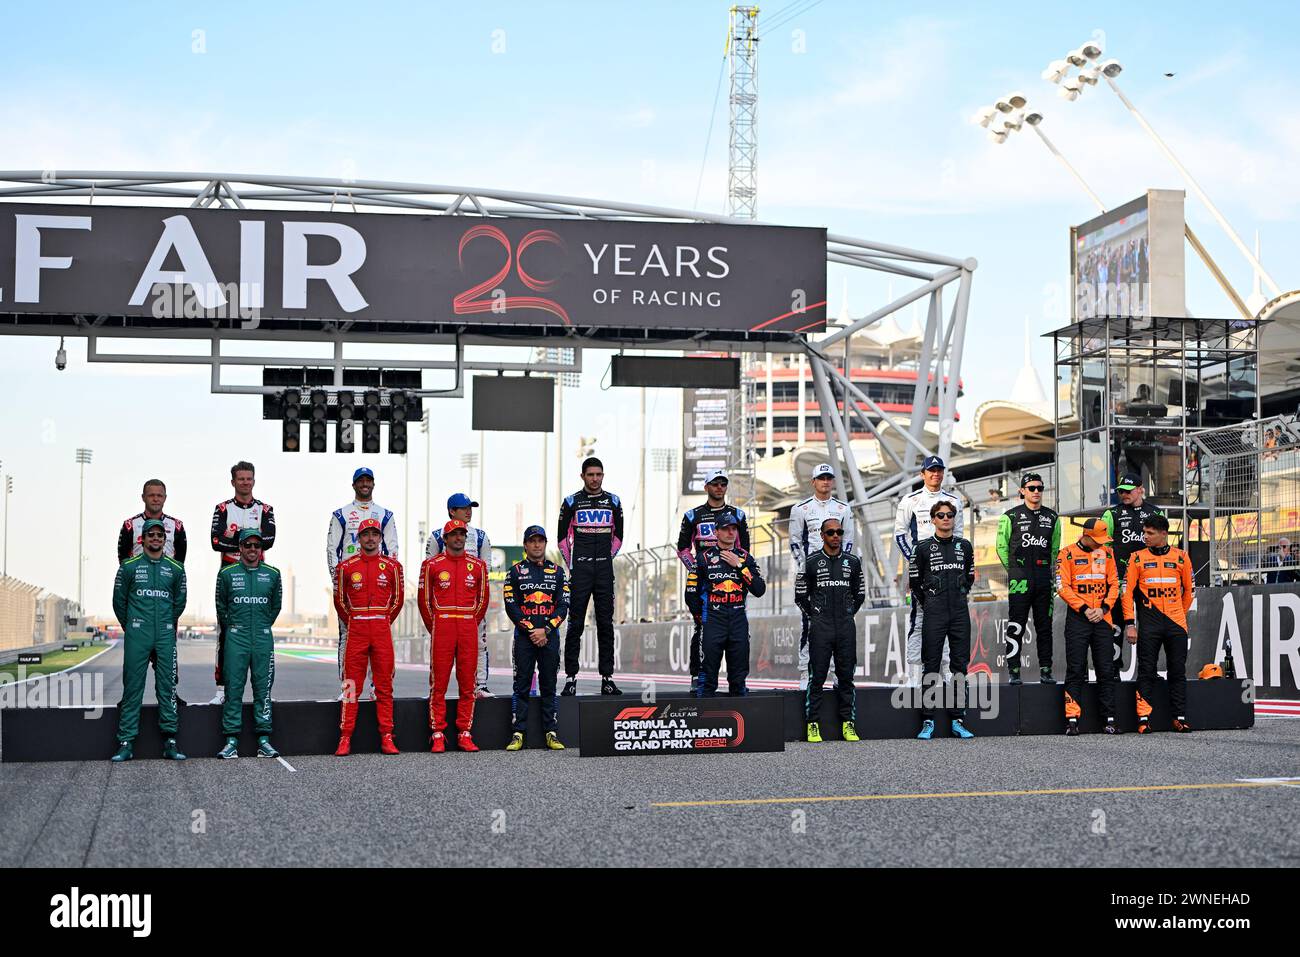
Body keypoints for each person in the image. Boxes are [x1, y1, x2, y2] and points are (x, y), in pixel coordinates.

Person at [110, 519, 187, 762]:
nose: (156, 538)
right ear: (142, 539)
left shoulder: (175, 569)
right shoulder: (128, 567)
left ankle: (170, 741)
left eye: (160, 535)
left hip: (164, 634)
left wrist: (165, 623)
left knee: (167, 688)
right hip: (138, 634)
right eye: (151, 534)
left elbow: (179, 603)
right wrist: (132, 625)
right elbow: (118, 602)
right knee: (133, 689)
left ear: (165, 540)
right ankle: (126, 742)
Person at [333, 518, 403, 757]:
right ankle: (345, 737)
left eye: (375, 534)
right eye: (366, 534)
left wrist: (382, 620)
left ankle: (387, 736)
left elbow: (397, 601)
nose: (371, 538)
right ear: (359, 538)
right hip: (357, 631)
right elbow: (340, 602)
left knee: (384, 686)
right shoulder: (346, 567)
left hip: (382, 630)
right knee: (351, 686)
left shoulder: (393, 567)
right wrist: (356, 620)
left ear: (381, 538)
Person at [419, 520, 490, 753]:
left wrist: (469, 622)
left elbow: (482, 601)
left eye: (462, 534)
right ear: (445, 539)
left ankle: (464, 732)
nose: (459, 538)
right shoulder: (431, 565)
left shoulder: (478, 566)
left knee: (468, 684)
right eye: (454, 535)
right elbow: (424, 603)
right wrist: (438, 625)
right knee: (438, 683)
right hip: (444, 627)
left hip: (468, 627)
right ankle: (437, 732)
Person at [676, 469, 749, 693]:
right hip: (704, 582)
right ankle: (698, 676)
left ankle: (738, 681)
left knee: (737, 629)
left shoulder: (738, 514)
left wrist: (740, 568)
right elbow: (682, 549)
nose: (719, 487)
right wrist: (697, 570)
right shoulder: (692, 516)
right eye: (715, 483)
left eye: (723, 484)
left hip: (733, 578)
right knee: (701, 627)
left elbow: (745, 548)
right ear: (706, 486)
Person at [210, 461, 276, 706]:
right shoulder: (223, 508)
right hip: (229, 573)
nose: (245, 483)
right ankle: (221, 689)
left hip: (259, 575)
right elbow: (215, 541)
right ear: (233, 482)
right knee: (225, 633)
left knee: (261, 632)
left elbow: (268, 540)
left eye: (249, 479)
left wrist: (234, 537)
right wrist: (250, 537)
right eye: (241, 479)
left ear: (254, 481)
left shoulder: (266, 509)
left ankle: (263, 693)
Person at [557, 457, 624, 696]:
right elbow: (562, 539)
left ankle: (607, 678)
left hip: (604, 571)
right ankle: (571, 678)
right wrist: (572, 565)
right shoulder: (571, 502)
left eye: (599, 474)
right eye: (590, 475)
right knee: (575, 625)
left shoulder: (614, 502)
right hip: (581, 571)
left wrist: (608, 557)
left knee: (606, 624)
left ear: (603, 476)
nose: (595, 479)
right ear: (583, 476)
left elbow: (619, 537)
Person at [795, 517, 865, 743]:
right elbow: (800, 596)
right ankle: (813, 724)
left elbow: (860, 594)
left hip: (845, 627)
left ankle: (848, 724)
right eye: (831, 532)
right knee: (817, 678)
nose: (836, 536)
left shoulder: (853, 562)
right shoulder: (811, 561)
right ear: (822, 536)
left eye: (839, 532)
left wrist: (848, 613)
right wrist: (815, 616)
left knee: (846, 677)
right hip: (821, 628)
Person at [1123, 513, 1195, 734]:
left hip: (1176, 623)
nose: (1145, 536)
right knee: (1146, 670)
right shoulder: (1136, 558)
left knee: (1177, 671)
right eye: (1144, 532)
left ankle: (1179, 717)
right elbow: (1127, 594)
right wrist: (1130, 624)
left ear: (1164, 534)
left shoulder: (1182, 557)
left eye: (1150, 533)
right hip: (1149, 622)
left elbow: (1189, 592)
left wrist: (1178, 615)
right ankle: (1143, 718)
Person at [327, 467, 399, 687]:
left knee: (381, 642)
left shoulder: (386, 515)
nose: (365, 484)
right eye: (361, 481)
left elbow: (393, 551)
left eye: (369, 480)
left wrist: (387, 581)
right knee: (347, 637)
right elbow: (332, 550)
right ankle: (346, 686)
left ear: (374, 484)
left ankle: (378, 687)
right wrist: (338, 582)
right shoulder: (340, 514)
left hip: (379, 587)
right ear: (354, 485)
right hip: (351, 586)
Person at [894, 455, 962, 686]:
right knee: (918, 619)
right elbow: (899, 534)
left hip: (947, 571)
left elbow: (959, 537)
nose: (936, 474)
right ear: (922, 474)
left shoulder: (954, 500)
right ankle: (914, 674)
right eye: (931, 470)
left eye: (939, 470)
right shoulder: (910, 500)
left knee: (948, 620)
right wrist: (915, 561)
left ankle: (946, 673)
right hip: (920, 572)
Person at [909, 501, 975, 740]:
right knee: (932, 665)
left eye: (950, 515)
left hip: (959, 612)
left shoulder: (964, 546)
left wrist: (958, 595)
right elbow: (915, 583)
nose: (946, 518)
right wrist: (929, 602)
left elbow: (969, 577)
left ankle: (958, 719)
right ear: (933, 519)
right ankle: (928, 720)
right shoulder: (922, 548)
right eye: (941, 515)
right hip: (934, 612)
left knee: (959, 666)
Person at [215, 529, 283, 759]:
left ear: (261, 548)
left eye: (256, 545)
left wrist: (262, 625)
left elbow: (275, 608)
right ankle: (231, 740)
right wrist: (236, 628)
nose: (252, 549)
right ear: (240, 548)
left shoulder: (273, 574)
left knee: (263, 690)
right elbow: (221, 608)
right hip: (237, 637)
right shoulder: (227, 574)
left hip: (263, 637)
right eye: (247, 545)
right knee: (233, 689)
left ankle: (264, 740)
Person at [503, 525, 570, 752]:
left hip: (549, 636)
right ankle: (518, 732)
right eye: (532, 541)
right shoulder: (514, 572)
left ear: (545, 543)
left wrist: (547, 630)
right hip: (525, 637)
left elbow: (563, 606)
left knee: (549, 684)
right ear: (525, 545)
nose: (536, 544)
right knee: (521, 685)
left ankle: (551, 731)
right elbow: (511, 606)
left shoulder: (558, 572)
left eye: (540, 540)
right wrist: (532, 629)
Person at [789, 463, 855, 690]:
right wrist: (804, 567)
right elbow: (795, 541)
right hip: (812, 576)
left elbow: (848, 541)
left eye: (829, 478)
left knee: (841, 623)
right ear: (813, 482)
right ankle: (805, 673)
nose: (825, 482)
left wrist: (841, 567)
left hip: (838, 574)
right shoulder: (801, 509)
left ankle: (838, 675)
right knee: (809, 623)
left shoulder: (844, 508)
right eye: (821, 478)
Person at [686, 513, 766, 697]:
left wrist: (739, 566)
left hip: (738, 618)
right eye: (725, 529)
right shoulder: (703, 558)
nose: (730, 532)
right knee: (707, 680)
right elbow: (690, 594)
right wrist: (702, 619)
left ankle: (740, 722)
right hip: (713, 619)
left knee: (739, 680)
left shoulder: (745, 558)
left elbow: (759, 589)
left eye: (734, 528)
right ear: (716, 532)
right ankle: (704, 721)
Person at [996, 473, 1062, 684]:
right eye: (1031, 488)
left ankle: (1046, 670)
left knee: (1045, 626)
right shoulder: (1010, 516)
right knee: (1016, 625)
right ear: (1022, 491)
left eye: (1039, 488)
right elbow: (1001, 547)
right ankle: (1014, 670)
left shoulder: (1053, 517)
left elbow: (1054, 549)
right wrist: (1015, 569)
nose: (1036, 492)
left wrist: (1045, 569)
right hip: (1020, 578)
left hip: (1043, 578)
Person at [1056, 518, 1119, 736]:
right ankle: (1072, 720)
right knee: (1076, 669)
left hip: (1104, 618)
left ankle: (1109, 720)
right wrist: (1084, 609)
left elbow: (1114, 585)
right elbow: (1062, 587)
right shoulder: (1067, 554)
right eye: (1098, 539)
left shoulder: (1108, 553)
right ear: (1087, 535)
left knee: (1106, 670)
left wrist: (1103, 609)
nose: (1101, 543)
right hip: (1078, 618)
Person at [426, 492, 493, 698]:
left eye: (470, 508)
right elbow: (429, 571)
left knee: (480, 642)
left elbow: (485, 572)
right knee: (438, 651)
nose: (468, 512)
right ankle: (436, 690)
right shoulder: (437, 536)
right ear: (451, 511)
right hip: (445, 606)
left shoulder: (480, 536)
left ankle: (480, 685)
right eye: (464, 508)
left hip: (471, 604)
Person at [1102, 472, 1163, 657]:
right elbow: (1104, 546)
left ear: (1140, 489)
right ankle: (1114, 669)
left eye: (1129, 491)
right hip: (1120, 578)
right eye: (1121, 491)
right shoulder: (1112, 514)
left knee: (1150, 625)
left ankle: (1148, 669)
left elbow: (1162, 544)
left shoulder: (1155, 512)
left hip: (1148, 578)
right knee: (1117, 623)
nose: (1124, 495)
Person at [118, 479, 187, 564]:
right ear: (143, 497)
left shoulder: (177, 526)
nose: (155, 499)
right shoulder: (129, 525)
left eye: (159, 495)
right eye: (151, 495)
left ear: (165, 498)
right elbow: (123, 561)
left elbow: (180, 563)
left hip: (167, 576)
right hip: (138, 575)